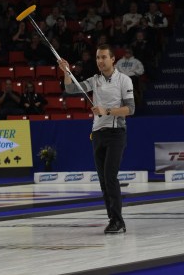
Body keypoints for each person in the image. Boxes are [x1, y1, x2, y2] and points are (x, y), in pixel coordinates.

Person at [58, 44, 134, 234]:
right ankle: (112, 220)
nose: (100, 61)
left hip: (116, 133)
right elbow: (71, 88)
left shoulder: (124, 80)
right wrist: (66, 72)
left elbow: (130, 109)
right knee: (103, 180)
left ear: (112, 59)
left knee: (110, 176)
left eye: (103, 57)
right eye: (98, 58)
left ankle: (119, 221)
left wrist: (106, 111)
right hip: (98, 133)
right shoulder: (94, 80)